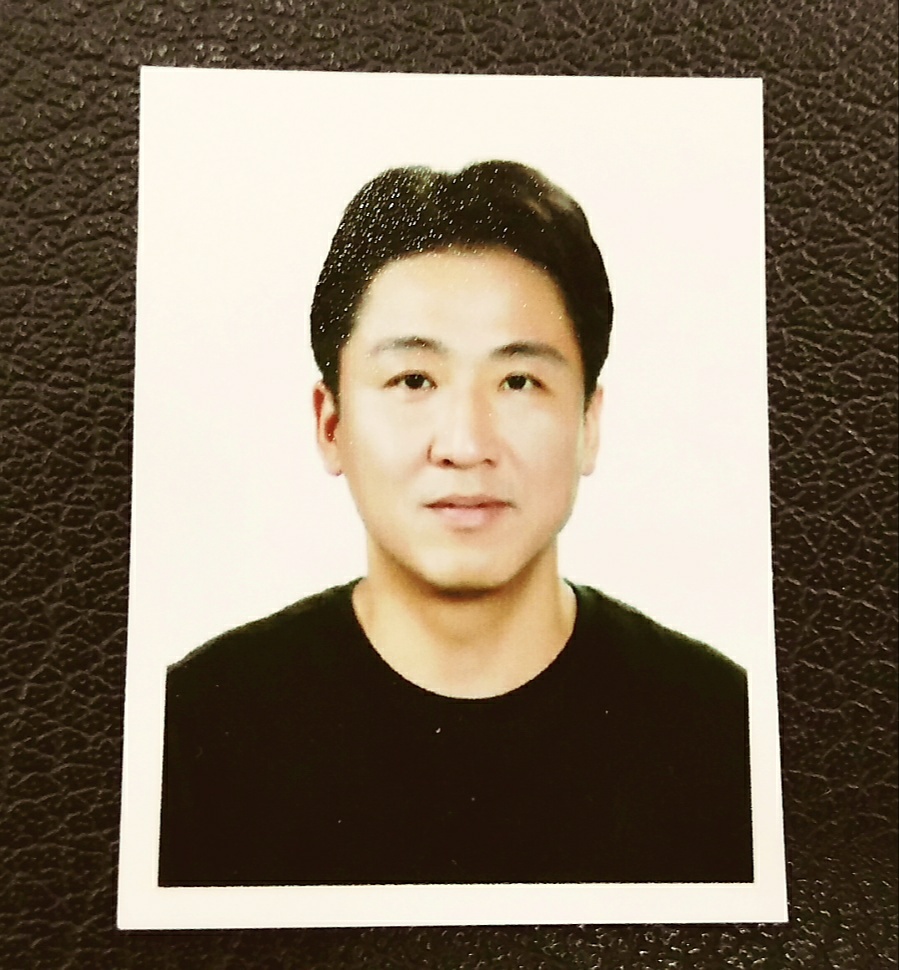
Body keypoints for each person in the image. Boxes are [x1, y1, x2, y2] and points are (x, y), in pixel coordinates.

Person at [159, 161, 753, 887]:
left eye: (518, 381)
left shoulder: (729, 733)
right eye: (413, 380)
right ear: (331, 424)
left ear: (589, 424)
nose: (466, 444)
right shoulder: (192, 732)